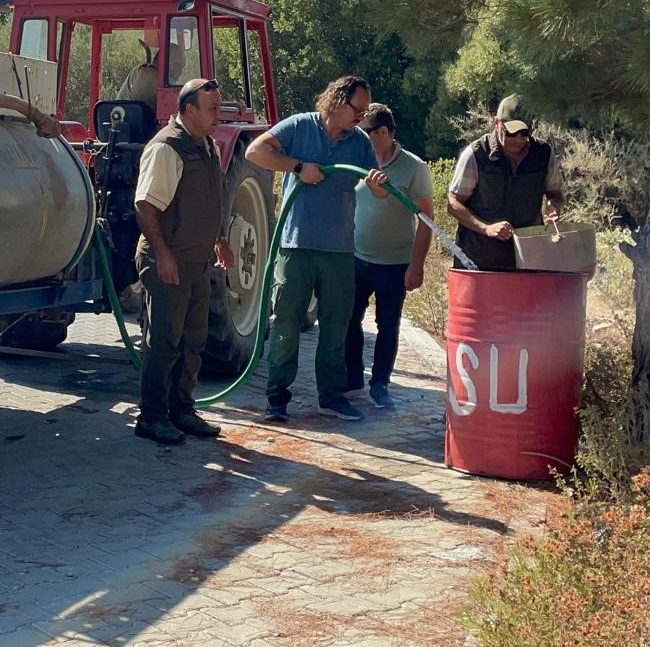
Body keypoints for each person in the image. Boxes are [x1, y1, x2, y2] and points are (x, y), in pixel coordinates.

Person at [245, 75, 389, 422]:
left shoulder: (359, 143)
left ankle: (331, 397)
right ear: (338, 102)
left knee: (336, 327)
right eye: (358, 108)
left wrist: (378, 184)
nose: (363, 116)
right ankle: (277, 398)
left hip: (339, 251)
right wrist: (297, 166)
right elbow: (255, 152)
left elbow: (382, 190)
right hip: (295, 247)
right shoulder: (299, 127)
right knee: (286, 325)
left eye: (366, 110)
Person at [132, 78, 236, 444]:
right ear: (188, 109)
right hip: (169, 263)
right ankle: (152, 417)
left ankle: (182, 410)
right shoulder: (166, 149)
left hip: (197, 262)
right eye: (211, 109)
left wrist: (218, 240)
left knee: (194, 340)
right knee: (164, 343)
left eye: (218, 108)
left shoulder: (204, 145)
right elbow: (145, 205)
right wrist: (163, 256)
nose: (217, 116)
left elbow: (206, 202)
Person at [346, 104, 434, 410]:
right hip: (356, 258)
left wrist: (417, 265)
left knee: (388, 324)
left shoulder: (414, 167)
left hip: (394, 263)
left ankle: (380, 384)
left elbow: (427, 219)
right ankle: (353, 377)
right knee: (348, 319)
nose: (358, 136)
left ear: (382, 132)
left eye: (364, 131)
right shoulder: (358, 158)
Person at [447, 94, 565, 270]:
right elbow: (453, 203)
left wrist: (554, 206)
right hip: (479, 261)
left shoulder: (543, 154)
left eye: (524, 132)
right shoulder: (476, 155)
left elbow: (556, 195)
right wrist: (486, 228)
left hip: (529, 259)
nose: (518, 138)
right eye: (511, 131)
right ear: (496, 123)